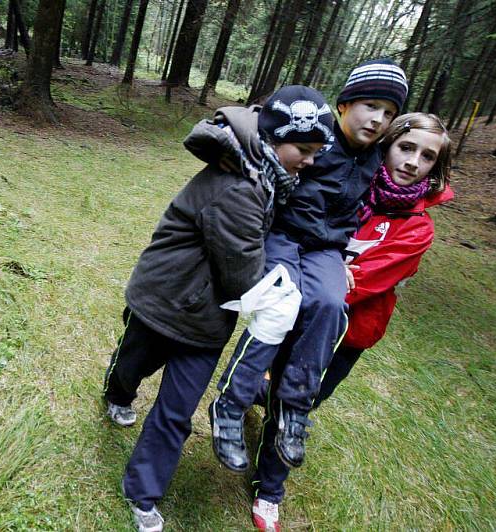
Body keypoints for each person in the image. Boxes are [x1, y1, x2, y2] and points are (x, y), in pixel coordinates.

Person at [103, 85, 334, 532]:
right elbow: (243, 275)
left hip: (207, 319)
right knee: (133, 365)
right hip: (164, 302)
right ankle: (117, 392)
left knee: (175, 411)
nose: (310, 160)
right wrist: (284, 299)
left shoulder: (268, 177)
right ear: (272, 140)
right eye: (303, 149)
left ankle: (142, 494)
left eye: (316, 151)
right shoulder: (239, 189)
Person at [249, 112, 453, 531]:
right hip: (306, 316)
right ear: (387, 144)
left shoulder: (417, 228)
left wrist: (325, 266)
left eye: (428, 156)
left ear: (436, 167)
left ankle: (268, 460)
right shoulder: (346, 186)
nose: (414, 161)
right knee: (287, 397)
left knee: (302, 403)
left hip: (351, 333)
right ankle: (270, 482)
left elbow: (363, 280)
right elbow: (301, 230)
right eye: (406, 147)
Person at [208, 59, 409, 480]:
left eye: (389, 113)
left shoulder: (376, 156)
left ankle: (295, 409)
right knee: (282, 300)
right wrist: (225, 131)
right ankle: (232, 401)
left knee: (332, 306)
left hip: (327, 251)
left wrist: (352, 258)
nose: (378, 118)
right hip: (284, 236)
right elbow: (261, 126)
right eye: (370, 105)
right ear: (343, 105)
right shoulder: (316, 133)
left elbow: (412, 177)